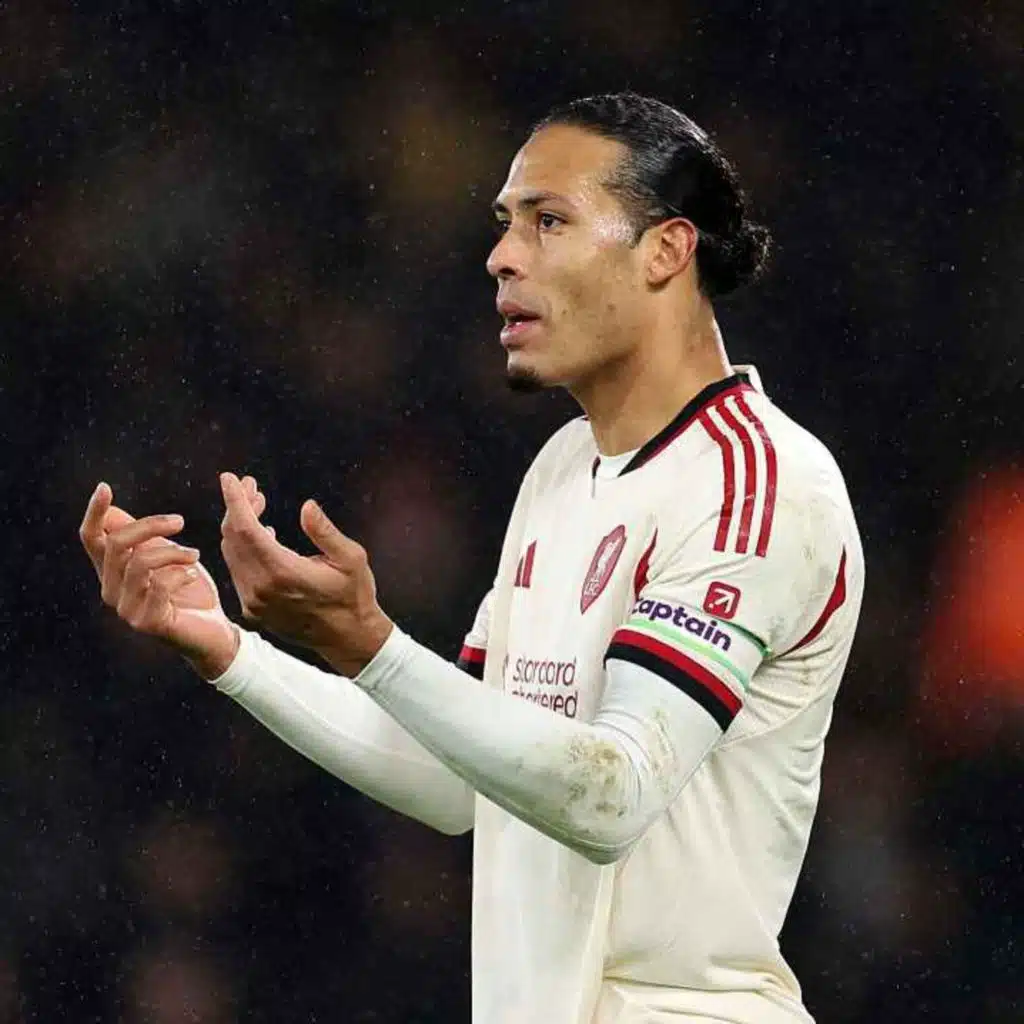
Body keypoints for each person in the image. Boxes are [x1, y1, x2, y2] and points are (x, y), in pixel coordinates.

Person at [80, 92, 864, 1024]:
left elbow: (614, 796)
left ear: (665, 250)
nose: (501, 256)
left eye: (548, 220)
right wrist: (231, 651)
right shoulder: (563, 469)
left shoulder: (759, 482)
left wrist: (371, 645)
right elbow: (458, 778)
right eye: (505, 224)